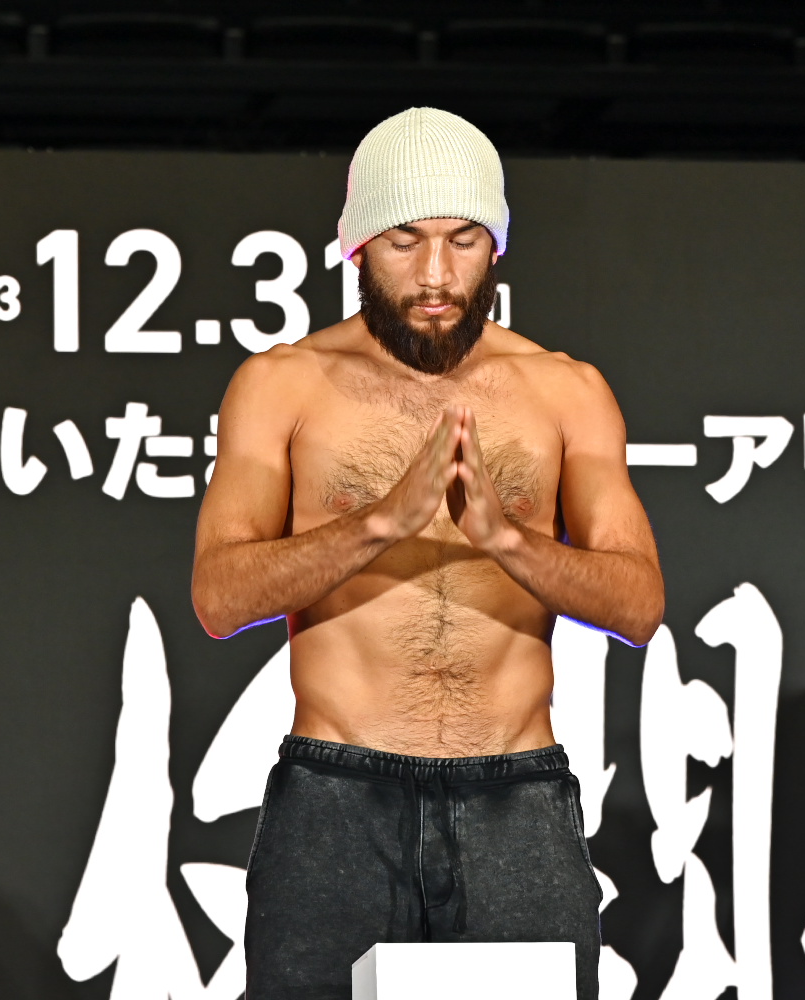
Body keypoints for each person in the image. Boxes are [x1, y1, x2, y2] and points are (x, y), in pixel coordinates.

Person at [191, 107, 663, 998]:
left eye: (464, 240)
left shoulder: (566, 391)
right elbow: (219, 597)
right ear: (358, 246)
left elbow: (638, 606)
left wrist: (505, 539)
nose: (437, 274)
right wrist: (377, 524)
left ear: (498, 248)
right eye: (405, 241)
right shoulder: (281, 385)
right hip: (335, 797)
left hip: (517, 798)